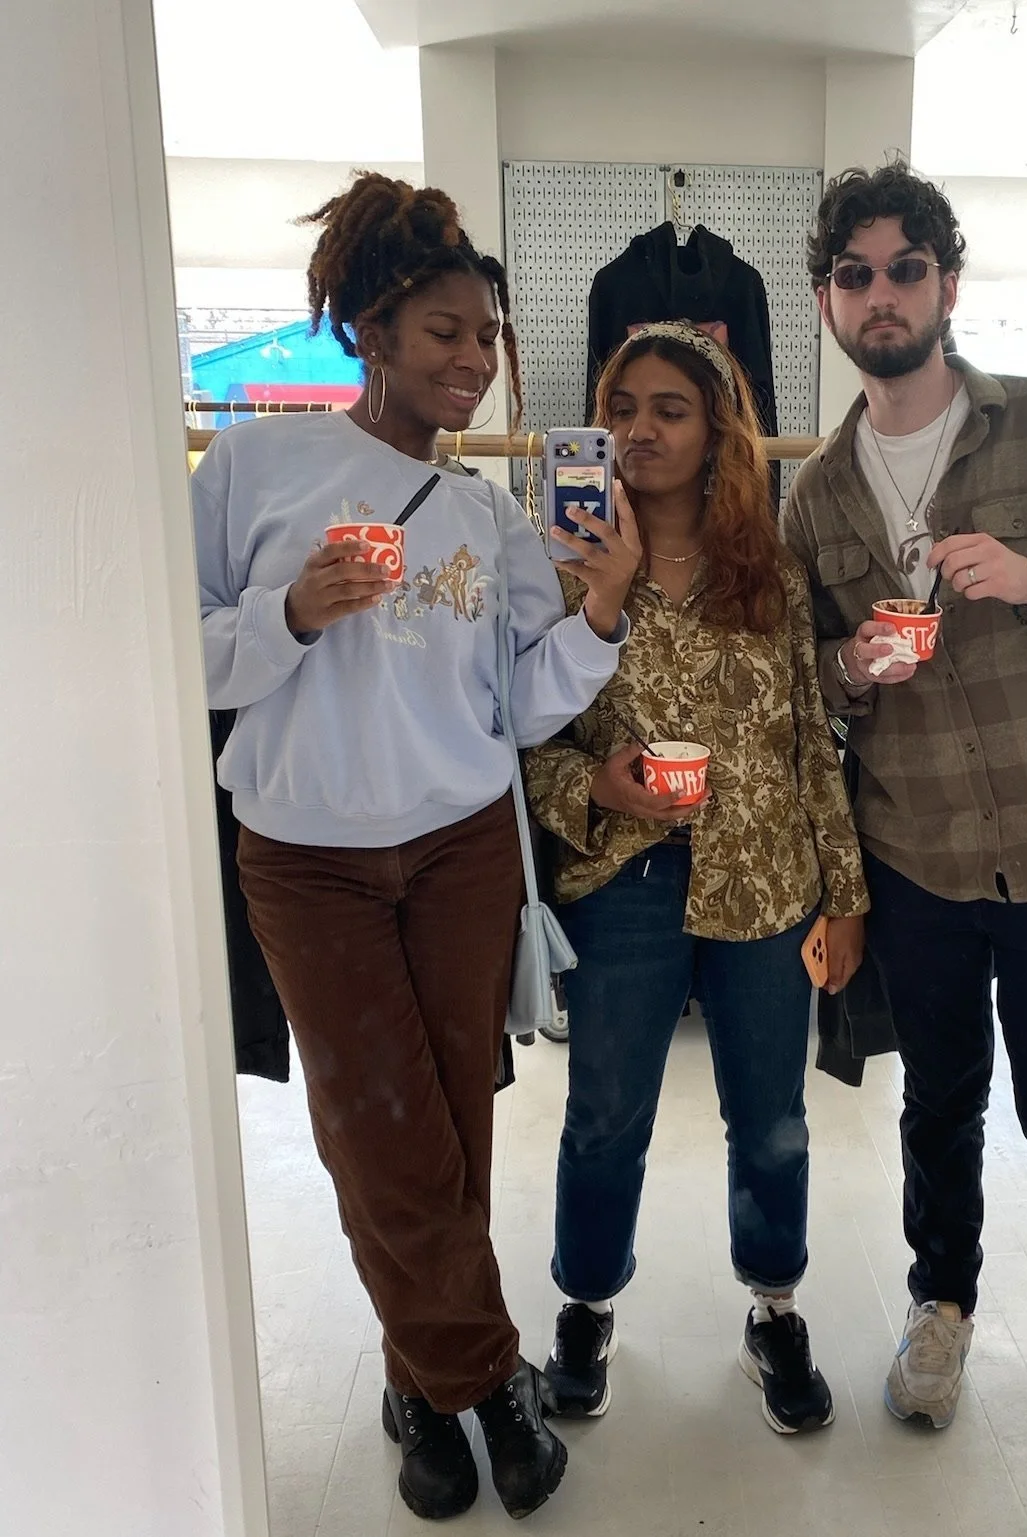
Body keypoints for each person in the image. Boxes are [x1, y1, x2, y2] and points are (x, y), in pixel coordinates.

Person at [193, 172, 641, 1524]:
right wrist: (290, 611)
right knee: (374, 1127)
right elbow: (181, 651)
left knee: (446, 1127)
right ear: (371, 330)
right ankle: (487, 1382)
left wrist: (607, 604)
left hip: (457, 851)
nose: (470, 360)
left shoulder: (488, 520)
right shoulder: (257, 466)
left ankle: (416, 1382)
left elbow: (527, 697)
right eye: (442, 330)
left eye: (485, 337)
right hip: (306, 855)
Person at [781, 161, 1027, 1486]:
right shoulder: (819, 496)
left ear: (946, 280)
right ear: (827, 299)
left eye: (902, 269)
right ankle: (937, 1311)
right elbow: (805, 682)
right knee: (937, 1110)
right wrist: (849, 671)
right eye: (853, 275)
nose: (879, 296)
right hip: (918, 859)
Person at [523, 321, 868, 1436]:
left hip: (766, 884)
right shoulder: (560, 569)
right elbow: (525, 742)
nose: (637, 431)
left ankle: (773, 1304)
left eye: (669, 408)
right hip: (622, 881)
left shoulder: (770, 570)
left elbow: (814, 743)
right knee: (604, 1114)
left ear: (717, 428)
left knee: (770, 1119)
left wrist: (845, 895)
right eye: (621, 408)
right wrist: (602, 790)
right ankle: (584, 1302)